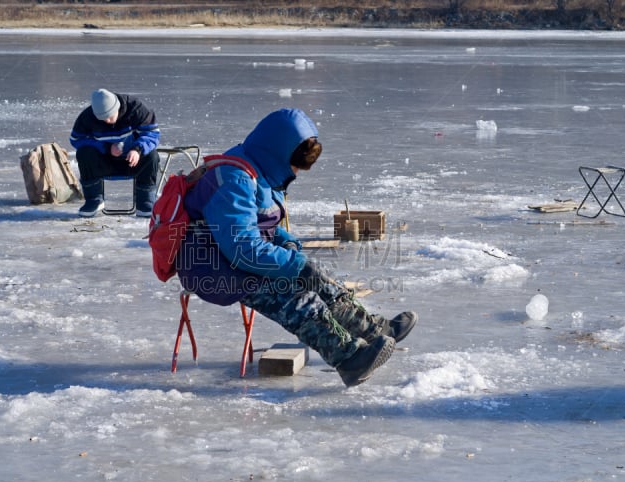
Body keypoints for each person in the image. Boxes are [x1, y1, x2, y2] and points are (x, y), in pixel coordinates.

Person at [176, 108, 417, 387]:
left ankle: (373, 331)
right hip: (210, 267)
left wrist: (286, 243)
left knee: (321, 281)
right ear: (278, 153)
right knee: (296, 294)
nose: (296, 173)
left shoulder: (259, 171)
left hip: (231, 259)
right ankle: (349, 359)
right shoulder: (234, 179)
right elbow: (242, 246)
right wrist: (295, 266)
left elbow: (260, 224)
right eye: (295, 165)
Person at [69, 88, 161, 218]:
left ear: (117, 108)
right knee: (84, 153)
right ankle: (94, 199)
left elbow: (152, 133)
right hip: (105, 163)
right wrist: (106, 148)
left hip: (133, 162)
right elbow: (76, 139)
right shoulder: (87, 117)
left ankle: (145, 201)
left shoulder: (136, 109)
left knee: (152, 155)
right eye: (102, 118)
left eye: (110, 116)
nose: (107, 121)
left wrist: (137, 150)